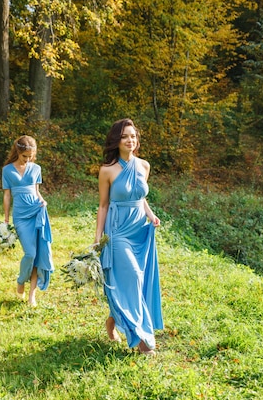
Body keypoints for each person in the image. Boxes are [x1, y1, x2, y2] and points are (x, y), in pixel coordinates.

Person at [94, 118, 164, 355]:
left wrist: (151, 216)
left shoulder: (144, 166)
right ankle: (142, 340)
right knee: (132, 276)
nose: (130, 140)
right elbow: (103, 206)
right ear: (117, 140)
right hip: (117, 231)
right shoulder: (107, 170)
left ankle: (113, 320)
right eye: (125, 136)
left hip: (139, 229)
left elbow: (140, 196)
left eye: (133, 136)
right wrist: (98, 239)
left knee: (137, 280)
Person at [2, 135, 54, 306]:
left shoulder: (36, 168)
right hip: (20, 216)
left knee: (38, 254)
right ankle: (20, 280)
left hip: (36, 211)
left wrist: (42, 200)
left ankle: (32, 294)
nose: (28, 159)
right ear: (18, 152)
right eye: (25, 156)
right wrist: (6, 219)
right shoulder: (7, 170)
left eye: (31, 156)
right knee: (29, 253)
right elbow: (7, 195)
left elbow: (36, 191)